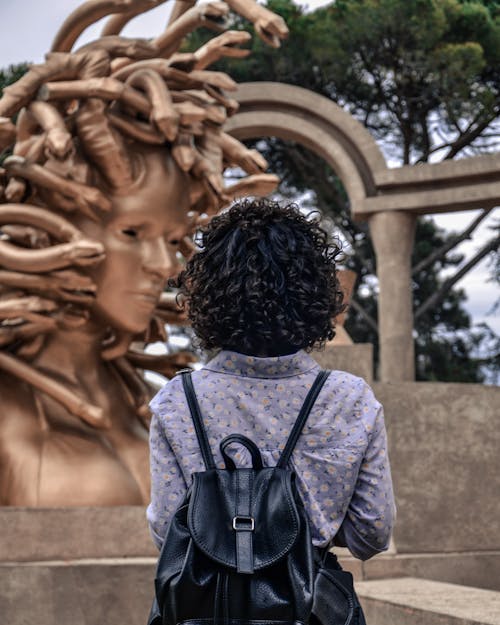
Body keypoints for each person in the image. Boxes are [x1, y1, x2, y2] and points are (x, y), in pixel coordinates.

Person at [147, 198, 395, 560]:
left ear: (209, 295)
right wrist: (310, 522)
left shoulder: (178, 400)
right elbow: (372, 533)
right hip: (309, 608)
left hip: (206, 609)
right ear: (314, 293)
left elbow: (168, 533)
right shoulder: (349, 398)